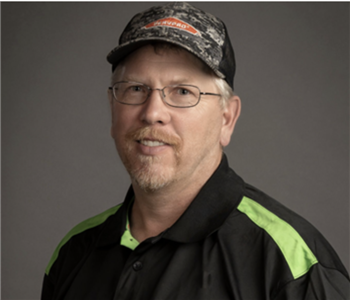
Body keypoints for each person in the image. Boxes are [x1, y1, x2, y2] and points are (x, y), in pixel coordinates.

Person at [41, 2, 349, 299]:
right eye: (136, 88)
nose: (152, 113)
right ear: (112, 107)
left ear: (227, 118)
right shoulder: (74, 251)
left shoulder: (290, 264)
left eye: (183, 92)